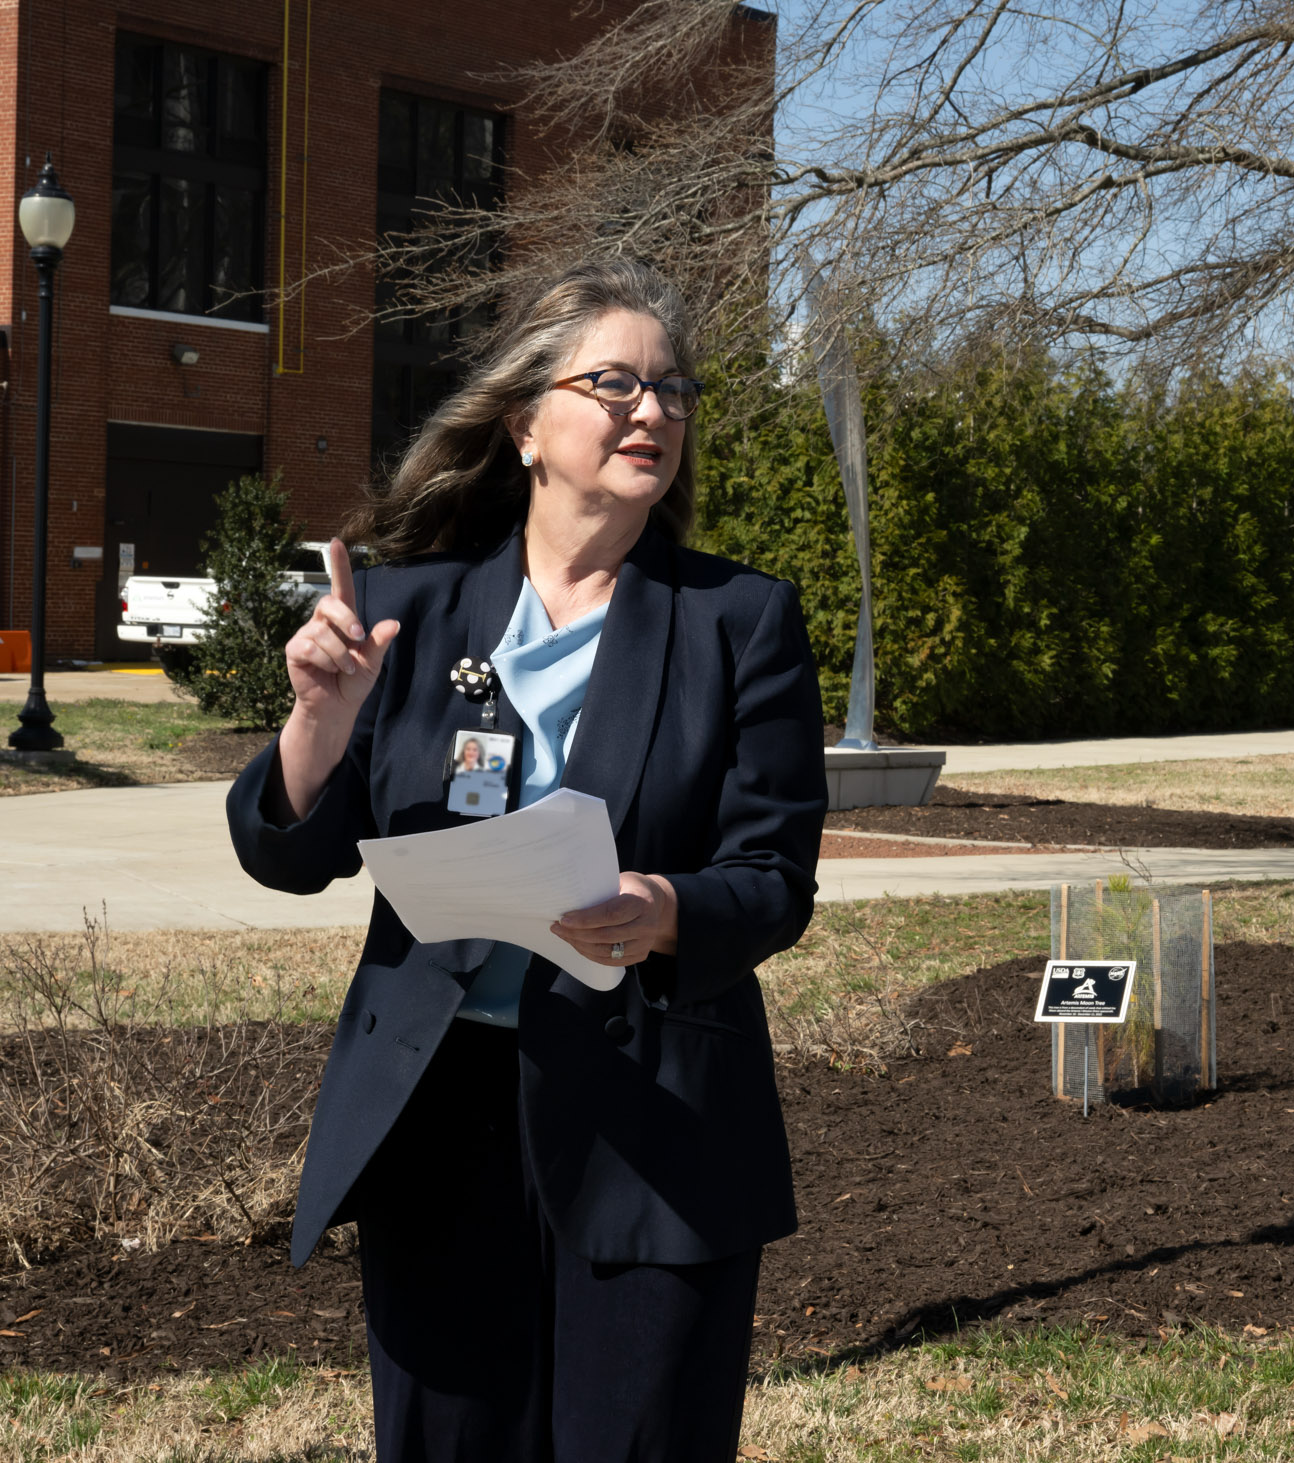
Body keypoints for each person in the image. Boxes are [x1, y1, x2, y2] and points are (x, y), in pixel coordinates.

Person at [226, 259, 827, 1462]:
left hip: (650, 1121)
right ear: (524, 425)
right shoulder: (408, 609)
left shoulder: (738, 621)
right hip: (436, 1120)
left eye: (671, 389)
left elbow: (771, 875)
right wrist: (318, 721)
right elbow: (285, 853)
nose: (651, 410)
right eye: (613, 383)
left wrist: (661, 907)